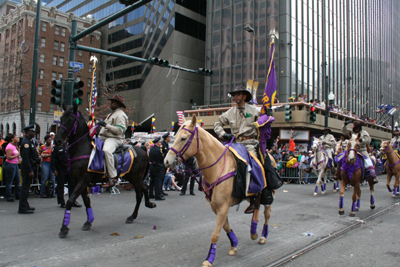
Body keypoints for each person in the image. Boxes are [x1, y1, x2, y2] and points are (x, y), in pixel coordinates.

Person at [214, 85, 275, 214]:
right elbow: (217, 123)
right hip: (234, 143)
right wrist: (223, 134)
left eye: (238, 94)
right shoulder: (229, 112)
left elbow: (265, 122)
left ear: (244, 96)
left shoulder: (254, 110)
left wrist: (268, 116)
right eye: (234, 94)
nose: (235, 96)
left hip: (249, 144)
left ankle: (255, 196)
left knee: (253, 164)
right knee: (219, 160)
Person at [97, 94, 129, 188]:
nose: (110, 103)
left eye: (113, 102)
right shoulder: (111, 114)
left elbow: (120, 130)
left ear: (118, 104)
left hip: (114, 138)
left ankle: (113, 177)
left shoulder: (121, 115)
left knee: (107, 150)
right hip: (104, 137)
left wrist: (105, 125)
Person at [51, 141, 81, 208]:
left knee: (72, 185)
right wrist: (54, 170)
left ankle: (72, 200)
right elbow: (53, 159)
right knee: (60, 186)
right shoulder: (57, 147)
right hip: (61, 168)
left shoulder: (71, 145)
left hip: (70, 168)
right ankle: (61, 201)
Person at [19, 124, 40, 214]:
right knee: (25, 187)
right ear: (28, 132)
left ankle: (25, 204)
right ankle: (22, 207)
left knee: (27, 187)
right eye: (32, 131)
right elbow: (26, 158)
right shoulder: (26, 143)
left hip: (31, 166)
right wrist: (30, 171)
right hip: (27, 167)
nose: (34, 133)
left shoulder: (30, 141)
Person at [3, 133, 21, 202]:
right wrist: (16, 155)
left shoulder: (14, 146)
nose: (17, 138)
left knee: (17, 180)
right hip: (10, 164)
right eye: (16, 137)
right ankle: (9, 195)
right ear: (12, 139)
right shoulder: (9, 147)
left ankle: (18, 194)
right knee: (10, 181)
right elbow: (8, 157)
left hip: (15, 164)